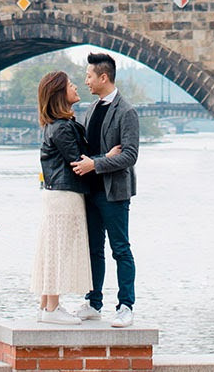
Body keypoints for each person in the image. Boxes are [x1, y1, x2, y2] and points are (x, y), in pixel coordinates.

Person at [71, 51, 139, 325]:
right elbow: (89, 150)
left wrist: (97, 165)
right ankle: (94, 302)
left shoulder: (127, 111)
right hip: (91, 192)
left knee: (120, 249)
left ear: (103, 76)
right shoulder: (92, 108)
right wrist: (101, 159)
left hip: (114, 193)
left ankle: (126, 306)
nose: (85, 81)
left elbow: (130, 156)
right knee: (93, 250)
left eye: (89, 76)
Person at [31, 70, 92, 324]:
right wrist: (105, 159)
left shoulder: (52, 126)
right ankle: (53, 308)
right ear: (59, 94)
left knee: (52, 248)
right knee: (60, 250)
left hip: (55, 195)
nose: (76, 87)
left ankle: (46, 306)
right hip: (65, 195)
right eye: (70, 85)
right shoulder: (63, 127)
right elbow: (77, 163)